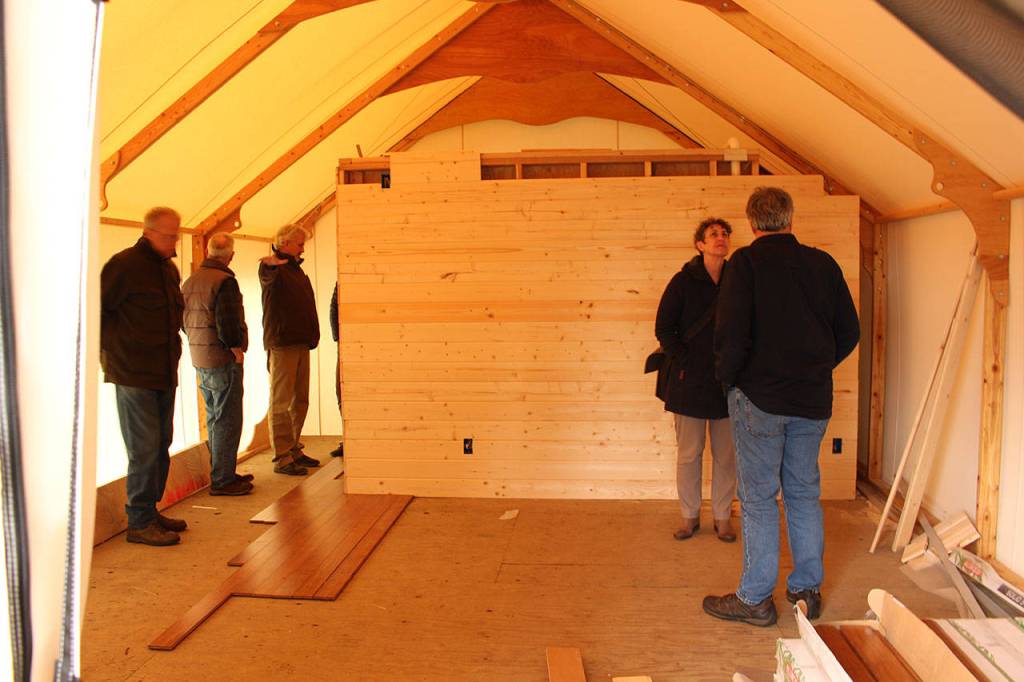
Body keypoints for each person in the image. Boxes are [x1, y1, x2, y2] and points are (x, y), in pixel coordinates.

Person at [703, 187, 859, 627]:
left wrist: (729, 381)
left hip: (759, 401)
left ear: (752, 223)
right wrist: (816, 367)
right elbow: (850, 331)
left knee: (758, 499)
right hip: (812, 400)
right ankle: (806, 591)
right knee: (803, 493)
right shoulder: (823, 264)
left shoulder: (745, 264)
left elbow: (730, 333)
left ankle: (754, 599)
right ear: (791, 219)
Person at [100, 207, 188, 546]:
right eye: (169, 235)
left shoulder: (168, 269)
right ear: (149, 232)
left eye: (177, 234)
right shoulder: (123, 266)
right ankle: (139, 521)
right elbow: (96, 311)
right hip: (133, 371)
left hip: (164, 370)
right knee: (144, 448)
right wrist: (112, 354)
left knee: (162, 443)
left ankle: (149, 510)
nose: (175, 240)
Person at [654, 218, 737, 543]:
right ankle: (689, 517)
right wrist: (685, 361)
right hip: (688, 381)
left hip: (727, 381)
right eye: (713, 234)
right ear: (700, 244)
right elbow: (664, 328)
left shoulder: (738, 280)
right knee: (689, 454)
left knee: (726, 456)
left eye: (724, 233)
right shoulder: (683, 281)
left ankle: (722, 518)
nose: (721, 238)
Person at [181, 232, 254, 496]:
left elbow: (183, 322)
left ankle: (221, 471)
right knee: (228, 419)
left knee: (214, 417)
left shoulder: (190, 281)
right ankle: (223, 479)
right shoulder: (224, 282)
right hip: (222, 358)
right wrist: (236, 349)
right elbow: (227, 321)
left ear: (208, 252)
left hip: (200, 357)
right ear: (230, 256)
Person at [260, 224, 321, 475]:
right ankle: (282, 457)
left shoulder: (295, 269)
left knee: (301, 400)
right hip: (283, 343)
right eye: (300, 244)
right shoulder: (272, 268)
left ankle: (294, 447)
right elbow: (267, 275)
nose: (303, 248)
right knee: (281, 402)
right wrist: (271, 265)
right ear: (284, 243)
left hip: (301, 341)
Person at [328, 283, 344, 458]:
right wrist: (339, 338)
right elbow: (334, 307)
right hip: (346, 343)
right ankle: (347, 438)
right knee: (342, 392)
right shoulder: (343, 279)